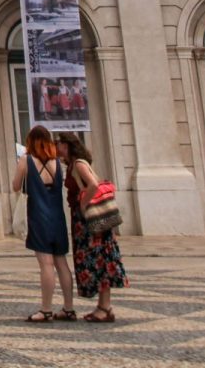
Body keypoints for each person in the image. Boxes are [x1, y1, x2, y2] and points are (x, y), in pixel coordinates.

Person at [61, 133, 126, 322]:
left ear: (66, 146)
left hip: (89, 220)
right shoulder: (74, 164)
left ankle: (104, 308)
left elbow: (93, 184)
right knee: (99, 260)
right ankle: (103, 306)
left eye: (59, 144)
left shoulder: (79, 164)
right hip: (87, 221)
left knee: (99, 260)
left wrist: (83, 204)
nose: (57, 148)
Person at [13, 126, 75, 322]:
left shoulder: (26, 160)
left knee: (46, 264)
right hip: (58, 217)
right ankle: (68, 307)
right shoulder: (57, 163)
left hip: (39, 216)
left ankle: (46, 309)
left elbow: (15, 186)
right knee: (62, 262)